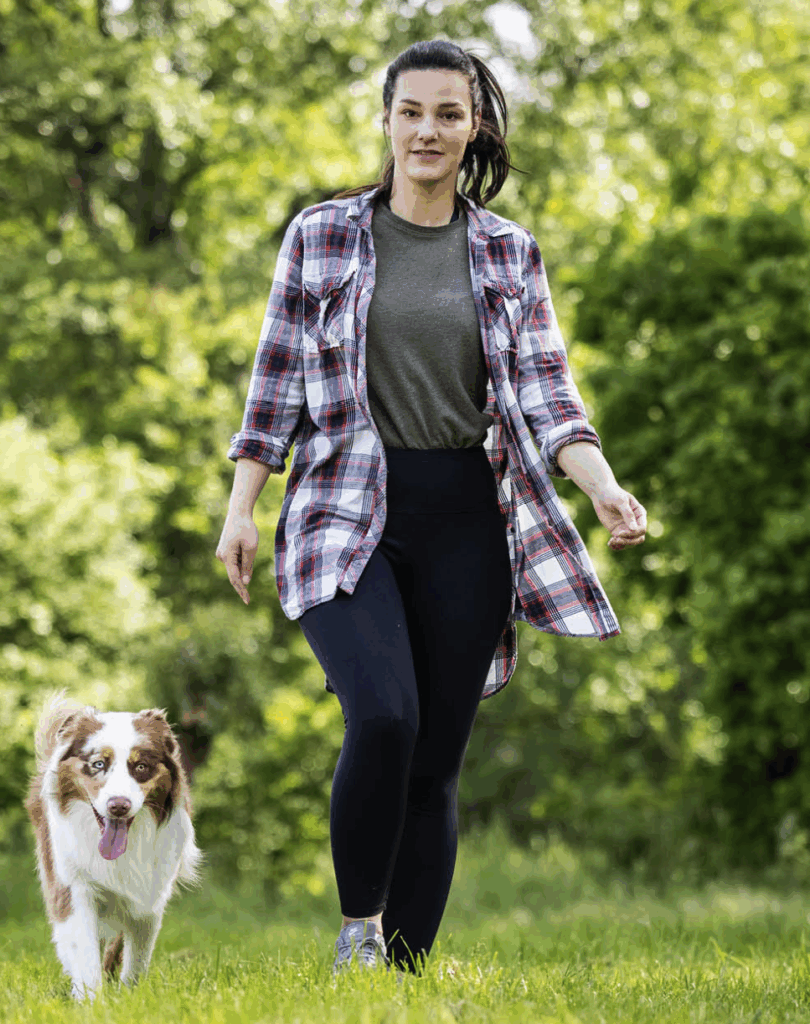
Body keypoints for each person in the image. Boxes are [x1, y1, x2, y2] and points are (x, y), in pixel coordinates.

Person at [215, 39, 646, 976]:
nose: (427, 130)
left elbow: (546, 395)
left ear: (474, 127)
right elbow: (274, 384)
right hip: (341, 509)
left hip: (466, 515)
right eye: (411, 111)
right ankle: (358, 934)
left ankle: (404, 976)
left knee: (436, 757)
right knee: (381, 715)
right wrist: (242, 506)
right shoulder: (321, 235)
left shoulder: (505, 251)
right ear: (385, 120)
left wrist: (602, 486)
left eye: (448, 114)